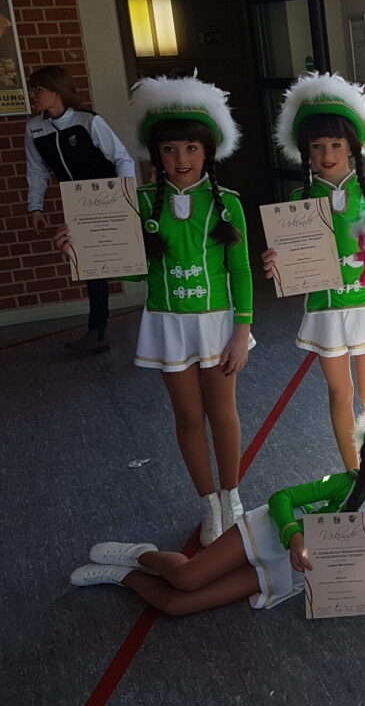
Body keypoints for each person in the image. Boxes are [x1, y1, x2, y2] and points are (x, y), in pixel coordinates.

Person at [58, 75, 254, 546]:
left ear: (207, 151)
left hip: (217, 323)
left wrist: (241, 330)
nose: (181, 159)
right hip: (167, 323)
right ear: (156, 154)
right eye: (169, 149)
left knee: (223, 413)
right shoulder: (140, 204)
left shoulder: (228, 204)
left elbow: (242, 270)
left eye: (191, 148)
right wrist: (80, 251)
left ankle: (232, 496)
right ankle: (208, 503)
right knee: (187, 416)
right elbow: (134, 272)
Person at [69, 383, 365, 617]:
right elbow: (282, 497)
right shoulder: (345, 483)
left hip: (296, 573)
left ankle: (124, 576)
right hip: (276, 533)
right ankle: (140, 554)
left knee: (176, 604)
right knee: (186, 577)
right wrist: (294, 535)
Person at [264, 73, 365, 469]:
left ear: (352, 148)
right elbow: (292, 265)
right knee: (340, 393)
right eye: (317, 145)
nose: (327, 153)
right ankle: (353, 472)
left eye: (336, 144)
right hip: (324, 309)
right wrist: (277, 264)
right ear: (305, 151)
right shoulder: (298, 202)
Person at [25, 65, 136, 353]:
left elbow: (122, 159)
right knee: (91, 266)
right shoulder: (34, 128)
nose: (33, 95)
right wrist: (35, 207)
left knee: (136, 255)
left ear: (57, 91)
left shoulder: (88, 121)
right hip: (78, 205)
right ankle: (97, 332)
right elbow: (36, 170)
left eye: (38, 89)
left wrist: (126, 199)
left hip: (109, 199)